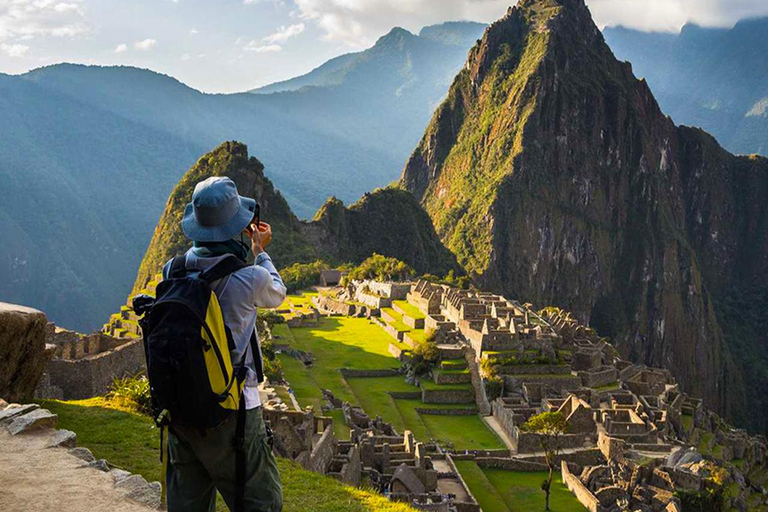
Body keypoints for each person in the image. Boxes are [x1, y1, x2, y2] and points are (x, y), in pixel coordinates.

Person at [162, 176, 285, 512]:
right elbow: (277, 291)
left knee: (187, 503)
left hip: (180, 407)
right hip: (233, 410)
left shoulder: (171, 271)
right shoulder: (249, 279)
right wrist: (260, 250)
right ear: (237, 226)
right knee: (261, 500)